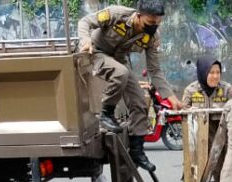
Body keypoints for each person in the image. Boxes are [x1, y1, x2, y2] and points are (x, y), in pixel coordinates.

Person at [77, 0, 182, 172]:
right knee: (121, 73)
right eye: (150, 23)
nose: (153, 27)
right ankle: (106, 113)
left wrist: (172, 98)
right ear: (138, 16)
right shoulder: (116, 14)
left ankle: (137, 152)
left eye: (157, 23)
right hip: (96, 52)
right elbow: (85, 22)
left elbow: (154, 71)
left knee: (140, 101)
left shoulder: (152, 37)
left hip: (118, 60)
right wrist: (85, 40)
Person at [178, 55, 232, 182]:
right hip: (197, 146)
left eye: (218, 72)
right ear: (203, 72)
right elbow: (183, 113)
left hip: (222, 145)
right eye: (211, 72)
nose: (215, 76)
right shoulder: (191, 90)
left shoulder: (227, 89)